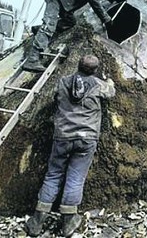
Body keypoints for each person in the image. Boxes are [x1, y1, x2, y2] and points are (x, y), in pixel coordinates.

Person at [25, 54, 116, 237]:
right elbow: (111, 92)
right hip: (87, 138)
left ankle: (36, 222)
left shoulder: (63, 82)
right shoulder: (100, 85)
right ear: (95, 70)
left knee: (53, 175)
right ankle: (68, 223)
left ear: (78, 66)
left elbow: (57, 97)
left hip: (63, 136)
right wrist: (110, 82)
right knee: (75, 178)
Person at [23, 0, 127, 72]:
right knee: (49, 26)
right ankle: (32, 60)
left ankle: (39, 29)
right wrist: (105, 18)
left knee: (70, 22)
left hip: (63, 0)